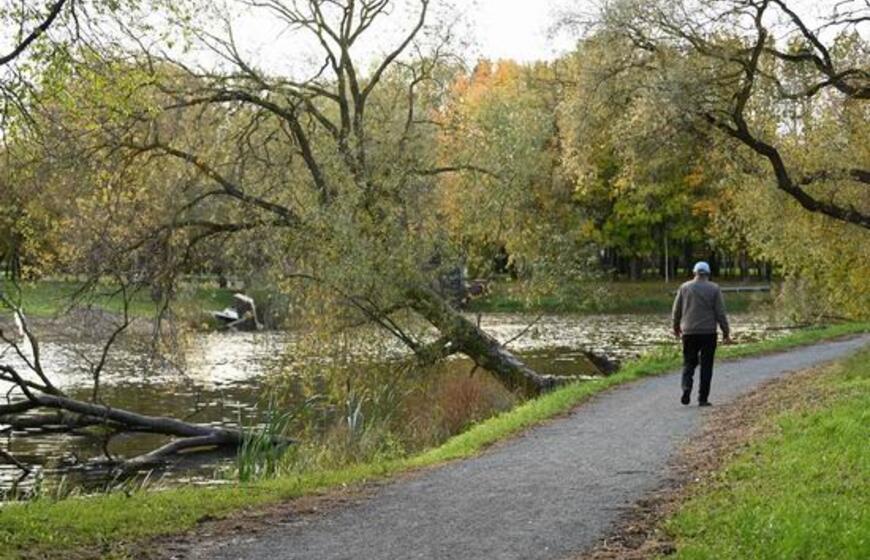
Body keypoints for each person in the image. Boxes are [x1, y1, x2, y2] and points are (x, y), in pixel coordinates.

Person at [671, 261, 731, 406]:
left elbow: (676, 310)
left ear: (695, 273)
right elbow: (720, 313)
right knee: (706, 366)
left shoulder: (684, 287)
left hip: (689, 332)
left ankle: (686, 388)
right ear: (708, 273)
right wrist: (725, 332)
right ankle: (702, 398)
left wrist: (676, 327)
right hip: (708, 332)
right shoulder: (714, 288)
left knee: (688, 363)